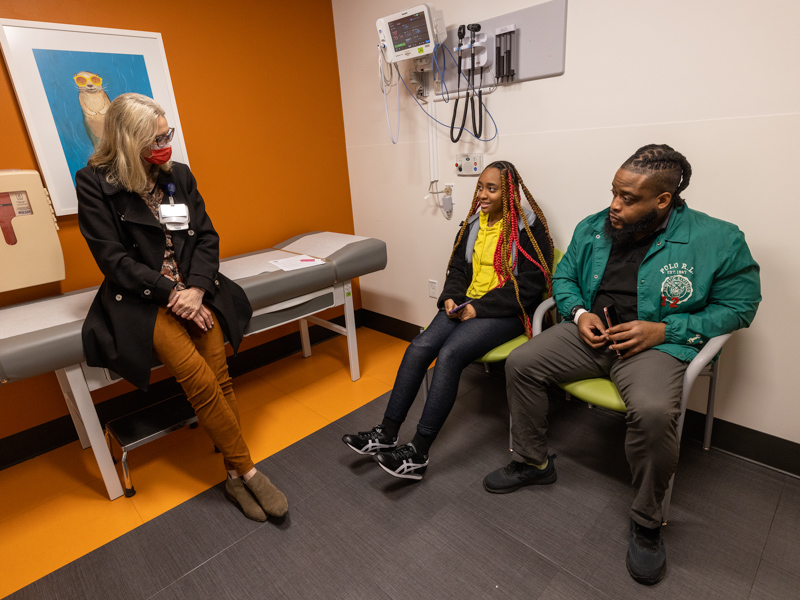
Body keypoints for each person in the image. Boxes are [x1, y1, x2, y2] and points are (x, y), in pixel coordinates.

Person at [482, 144, 761, 585]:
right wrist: (578, 313)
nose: (614, 205)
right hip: (590, 336)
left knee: (652, 412)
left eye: (628, 199)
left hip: (654, 347)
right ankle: (533, 463)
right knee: (522, 362)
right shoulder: (594, 227)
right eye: (614, 192)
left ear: (663, 200)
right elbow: (565, 278)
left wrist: (663, 331)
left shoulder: (719, 239)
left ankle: (648, 522)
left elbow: (740, 307)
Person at [76, 93, 287, 522]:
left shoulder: (178, 177)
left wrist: (194, 289)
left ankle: (232, 475)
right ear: (129, 139)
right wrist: (172, 294)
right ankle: (247, 470)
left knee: (221, 378)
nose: (165, 143)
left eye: (166, 133)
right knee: (198, 380)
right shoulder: (94, 184)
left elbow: (206, 238)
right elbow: (113, 260)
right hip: (142, 297)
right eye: (157, 137)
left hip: (193, 290)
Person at [342, 161, 554, 479]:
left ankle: (418, 453)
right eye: (480, 186)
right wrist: (452, 297)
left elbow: (530, 287)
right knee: (419, 346)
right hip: (465, 304)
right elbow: (456, 268)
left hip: (505, 311)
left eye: (491, 188)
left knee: (450, 354)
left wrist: (478, 309)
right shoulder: (473, 223)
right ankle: (386, 434)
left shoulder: (528, 228)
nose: (482, 193)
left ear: (508, 193)